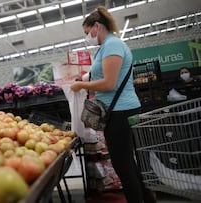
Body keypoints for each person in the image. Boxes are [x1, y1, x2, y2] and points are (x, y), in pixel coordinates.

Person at [70, 6, 156, 203]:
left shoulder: (113, 45)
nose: (87, 37)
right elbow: (101, 75)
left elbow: (109, 83)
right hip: (115, 112)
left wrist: (81, 85)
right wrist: (84, 78)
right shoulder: (105, 47)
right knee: (128, 164)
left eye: (87, 32)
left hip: (121, 112)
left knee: (123, 166)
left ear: (97, 26)